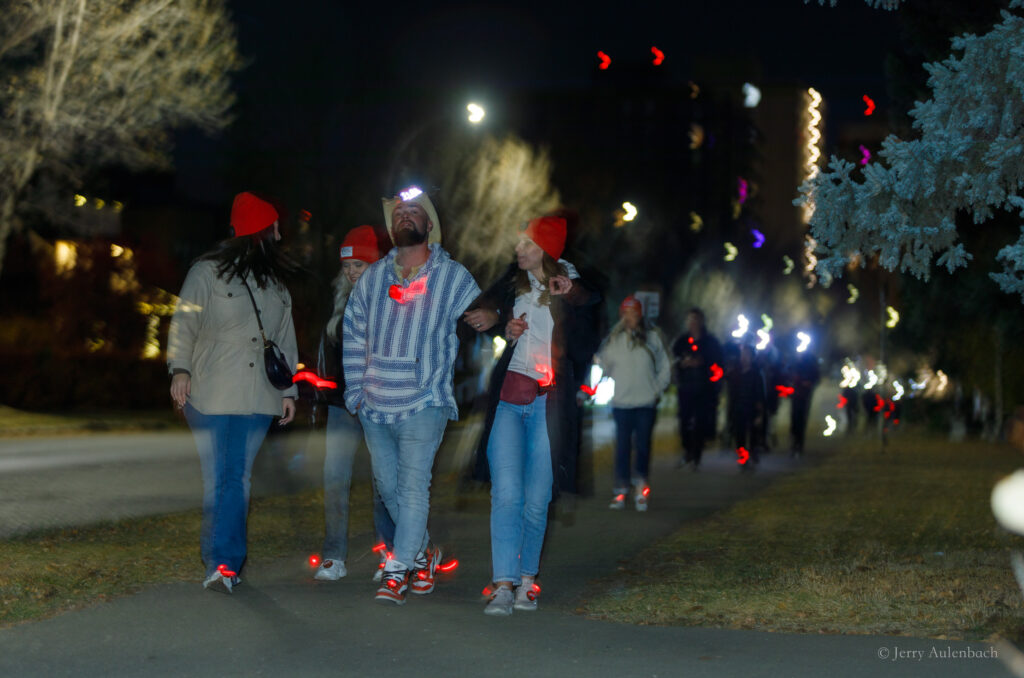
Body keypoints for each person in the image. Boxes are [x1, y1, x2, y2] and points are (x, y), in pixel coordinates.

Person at [343, 188, 481, 605]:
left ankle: (398, 570)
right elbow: (353, 333)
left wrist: (496, 316)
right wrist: (356, 392)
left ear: (428, 225)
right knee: (388, 489)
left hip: (425, 400)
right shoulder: (372, 277)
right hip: (376, 403)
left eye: (413, 212)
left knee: (413, 488)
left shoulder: (452, 276)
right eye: (399, 213)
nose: (404, 217)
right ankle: (423, 555)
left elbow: (484, 312)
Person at [465, 215, 600, 616]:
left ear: (546, 249)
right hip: (510, 397)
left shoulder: (573, 287)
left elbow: (588, 330)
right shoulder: (514, 285)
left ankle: (527, 580)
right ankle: (503, 584)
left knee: (536, 498)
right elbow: (491, 313)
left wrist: (570, 294)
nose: (518, 251)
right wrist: (497, 324)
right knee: (505, 494)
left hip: (549, 403)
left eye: (526, 244)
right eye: (518, 244)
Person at [168, 191, 298, 594]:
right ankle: (224, 562)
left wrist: (289, 390)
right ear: (259, 229)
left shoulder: (276, 285)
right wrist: (180, 369)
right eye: (274, 225)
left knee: (233, 478)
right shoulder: (206, 273)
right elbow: (182, 326)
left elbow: (285, 340)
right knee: (226, 478)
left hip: (259, 397)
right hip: (211, 392)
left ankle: (219, 561)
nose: (279, 233)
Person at [312, 225, 396, 582]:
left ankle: (390, 553)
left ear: (375, 265)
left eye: (359, 265)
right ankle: (334, 556)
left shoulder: (393, 297)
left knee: (383, 481)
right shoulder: (339, 302)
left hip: (378, 404)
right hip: (341, 406)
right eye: (347, 266)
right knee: (334, 478)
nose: (351, 272)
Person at [596, 295, 670, 511]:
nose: (630, 317)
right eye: (626, 313)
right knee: (622, 447)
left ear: (640, 315)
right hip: (621, 404)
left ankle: (641, 488)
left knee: (643, 447)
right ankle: (621, 490)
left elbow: (665, 365)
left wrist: (657, 389)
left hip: (646, 403)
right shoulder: (614, 340)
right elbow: (604, 365)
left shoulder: (653, 338)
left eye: (634, 313)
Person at [670, 308, 723, 471]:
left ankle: (697, 457)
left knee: (700, 422)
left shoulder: (711, 342)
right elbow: (674, 359)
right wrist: (682, 363)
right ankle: (687, 451)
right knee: (684, 421)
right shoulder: (681, 341)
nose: (693, 323)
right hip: (686, 387)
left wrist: (703, 363)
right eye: (690, 320)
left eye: (695, 319)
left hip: (704, 388)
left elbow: (718, 363)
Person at [727, 342, 767, 469]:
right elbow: (731, 391)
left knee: (753, 433)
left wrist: (760, 413)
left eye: (747, 355)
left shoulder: (756, 374)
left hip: (752, 408)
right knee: (740, 435)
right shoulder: (736, 373)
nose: (744, 357)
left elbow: (760, 393)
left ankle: (753, 452)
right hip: (738, 408)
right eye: (742, 354)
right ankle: (743, 458)